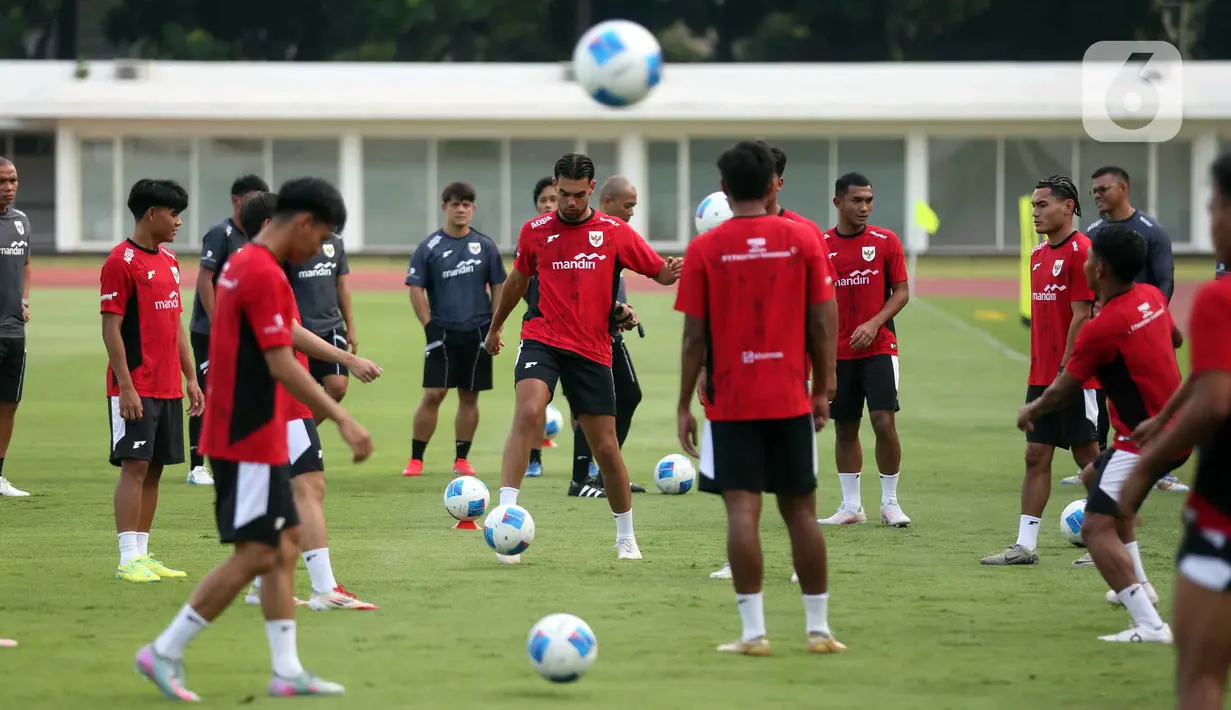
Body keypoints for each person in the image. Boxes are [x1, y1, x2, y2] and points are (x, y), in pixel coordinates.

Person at [135, 177, 373, 701]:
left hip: (258, 430)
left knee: (285, 544)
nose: (320, 250)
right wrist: (343, 418)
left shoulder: (249, 265)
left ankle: (286, 670)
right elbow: (281, 361)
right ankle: (165, 651)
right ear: (304, 223)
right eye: (322, 237)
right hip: (241, 435)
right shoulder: (259, 270)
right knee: (255, 553)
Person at [675, 140, 842, 656]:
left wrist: (683, 402)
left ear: (724, 189)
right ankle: (818, 631)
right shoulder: (804, 238)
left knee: (742, 514)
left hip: (731, 404)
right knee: (802, 515)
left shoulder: (706, 248)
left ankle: (754, 635)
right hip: (790, 395)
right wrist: (823, 387)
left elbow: (694, 338)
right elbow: (823, 319)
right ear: (774, 184)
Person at [483, 152, 681, 563]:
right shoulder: (535, 231)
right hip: (542, 338)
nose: (569, 203)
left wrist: (671, 270)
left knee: (605, 447)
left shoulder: (614, 231)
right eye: (562, 193)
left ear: (593, 189)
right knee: (529, 411)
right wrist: (496, 325)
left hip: (592, 348)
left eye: (577, 194)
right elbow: (518, 280)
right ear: (555, 187)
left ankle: (626, 535)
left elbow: (658, 272)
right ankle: (505, 514)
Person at [1016, 223, 1181, 642]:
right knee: (1092, 476)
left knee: (1094, 529)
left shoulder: (1101, 327)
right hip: (1175, 428)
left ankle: (1148, 623)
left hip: (1143, 441)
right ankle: (1139, 582)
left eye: (1090, 259)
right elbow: (1176, 338)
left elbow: (1064, 390)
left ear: (1100, 268)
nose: (1085, 263)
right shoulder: (1151, 296)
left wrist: (1031, 409)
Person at [235, 191, 383, 612]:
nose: (316, 242)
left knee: (303, 487)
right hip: (273, 400)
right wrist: (342, 409)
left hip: (274, 401)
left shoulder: (260, 268)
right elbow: (284, 347)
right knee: (303, 489)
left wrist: (345, 360)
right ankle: (319, 589)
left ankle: (297, 589)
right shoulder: (260, 272)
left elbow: (291, 331)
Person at [1120, 154, 1231, 706]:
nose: (1210, 225)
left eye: (1213, 209)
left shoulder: (1219, 297)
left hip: (1221, 510)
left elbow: (1213, 401)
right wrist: (1164, 416)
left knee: (1201, 675)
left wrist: (1145, 464)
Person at [982, 175, 1100, 566]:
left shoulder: (1083, 252)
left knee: (1088, 456)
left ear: (1068, 207)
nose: (1035, 212)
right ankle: (1025, 546)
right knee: (1036, 455)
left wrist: (1067, 371)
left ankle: (1108, 539)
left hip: (1076, 377)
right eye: (1033, 206)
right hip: (1042, 376)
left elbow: (1083, 317)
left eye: (1043, 205)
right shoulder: (1037, 256)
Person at [101, 179, 205, 583]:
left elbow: (176, 324)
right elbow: (112, 329)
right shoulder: (120, 262)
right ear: (151, 213)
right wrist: (125, 385)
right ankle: (127, 557)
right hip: (135, 386)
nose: (178, 222)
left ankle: (143, 554)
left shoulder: (171, 261)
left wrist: (191, 378)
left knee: (156, 468)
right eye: (173, 214)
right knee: (134, 467)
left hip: (167, 386)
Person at [1059, 166, 1187, 493]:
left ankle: (1158, 467)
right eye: (1094, 191)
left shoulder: (1151, 230)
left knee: (1144, 395)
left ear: (1124, 188)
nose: (1098, 196)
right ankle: (1100, 459)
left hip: (1141, 324)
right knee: (1100, 396)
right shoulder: (1095, 230)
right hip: (1106, 325)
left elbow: (1164, 280)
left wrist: (1151, 319)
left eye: (1103, 189)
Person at [817, 173, 912, 528]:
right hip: (837, 353)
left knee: (883, 420)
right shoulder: (822, 244)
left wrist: (874, 323)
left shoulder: (885, 241)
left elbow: (901, 291)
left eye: (869, 200)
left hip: (879, 348)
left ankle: (890, 502)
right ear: (838, 202)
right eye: (857, 200)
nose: (864, 207)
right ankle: (851, 506)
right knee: (845, 426)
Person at [402, 182, 507, 477]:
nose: (461, 209)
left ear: (472, 209)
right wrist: (429, 327)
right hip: (443, 332)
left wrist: (495, 324)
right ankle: (416, 459)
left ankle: (461, 458)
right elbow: (415, 288)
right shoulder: (429, 247)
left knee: (470, 395)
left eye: (466, 204)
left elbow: (499, 284)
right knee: (434, 393)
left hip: (477, 332)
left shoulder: (485, 246)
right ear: (444, 207)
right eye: (455, 204)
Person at [567, 175, 648, 499]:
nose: (631, 212)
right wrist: (614, 308)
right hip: (585, 335)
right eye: (628, 206)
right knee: (590, 406)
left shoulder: (617, 235)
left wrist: (623, 312)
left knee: (628, 397)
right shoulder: (589, 233)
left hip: (611, 331)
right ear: (607, 201)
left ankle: (601, 473)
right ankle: (581, 479)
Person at [187, 174, 270, 486]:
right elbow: (205, 279)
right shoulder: (221, 233)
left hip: (241, 332)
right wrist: (218, 319)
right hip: (210, 330)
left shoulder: (256, 236)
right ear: (237, 201)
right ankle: (197, 465)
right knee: (207, 393)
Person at [285, 231, 356, 408]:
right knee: (298, 394)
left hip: (331, 326)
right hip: (300, 329)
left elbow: (342, 286)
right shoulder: (288, 243)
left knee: (338, 386)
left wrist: (350, 326)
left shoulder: (336, 242)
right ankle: (301, 433)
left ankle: (305, 432)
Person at [524, 177, 561, 478]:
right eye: (543, 200)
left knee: (582, 404)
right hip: (539, 329)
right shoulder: (531, 237)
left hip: (579, 333)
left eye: (553, 199)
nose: (548, 205)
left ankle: (586, 461)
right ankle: (534, 457)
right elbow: (520, 284)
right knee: (535, 400)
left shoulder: (580, 236)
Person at [0, 156, 31, 497]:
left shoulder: (22, 222)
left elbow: (26, 265)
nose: (9, 187)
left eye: (13, 180)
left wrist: (25, 299)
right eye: (2, 181)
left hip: (12, 331)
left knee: (8, 404)